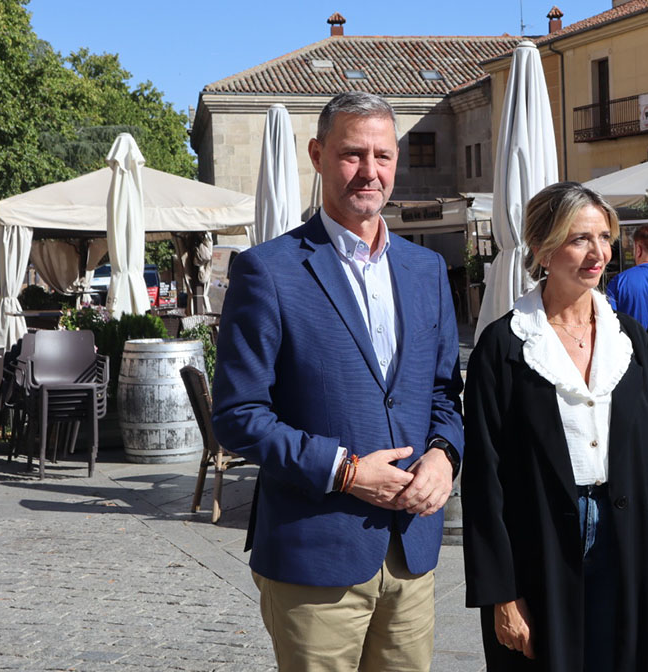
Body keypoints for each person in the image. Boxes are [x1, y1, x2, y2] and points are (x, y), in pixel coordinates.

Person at [212, 91, 464, 672]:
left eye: (383, 155)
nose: (370, 172)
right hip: (314, 556)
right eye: (353, 155)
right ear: (318, 155)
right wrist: (345, 471)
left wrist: (445, 457)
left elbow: (443, 392)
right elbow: (238, 414)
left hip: (410, 554)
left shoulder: (425, 269)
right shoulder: (268, 270)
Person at [462, 181, 648, 672]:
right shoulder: (503, 347)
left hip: (625, 538)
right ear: (541, 247)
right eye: (579, 238)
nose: (598, 252)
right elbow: (483, 480)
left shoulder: (631, 340)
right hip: (537, 543)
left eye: (604, 237)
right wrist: (502, 594)